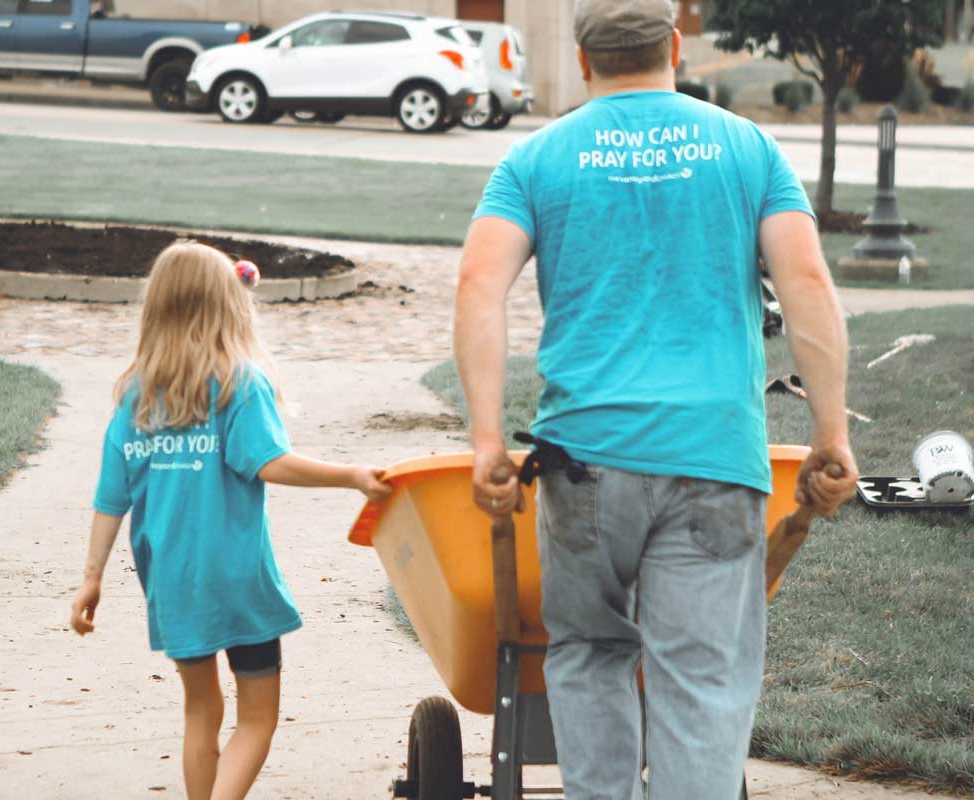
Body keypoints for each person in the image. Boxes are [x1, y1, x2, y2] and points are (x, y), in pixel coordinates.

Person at [453, 1, 859, 797]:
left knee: (589, 655)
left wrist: (486, 440)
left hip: (583, 464)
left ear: (582, 61)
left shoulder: (535, 160)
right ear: (673, 45)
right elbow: (806, 283)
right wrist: (831, 429)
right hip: (713, 457)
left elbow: (477, 287)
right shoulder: (749, 150)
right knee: (702, 683)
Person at [70, 242, 392, 800]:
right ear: (228, 305)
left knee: (200, 711)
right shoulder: (240, 382)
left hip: (171, 580)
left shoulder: (136, 396)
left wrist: (92, 576)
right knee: (258, 716)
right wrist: (352, 475)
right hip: (238, 579)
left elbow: (110, 497)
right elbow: (268, 462)